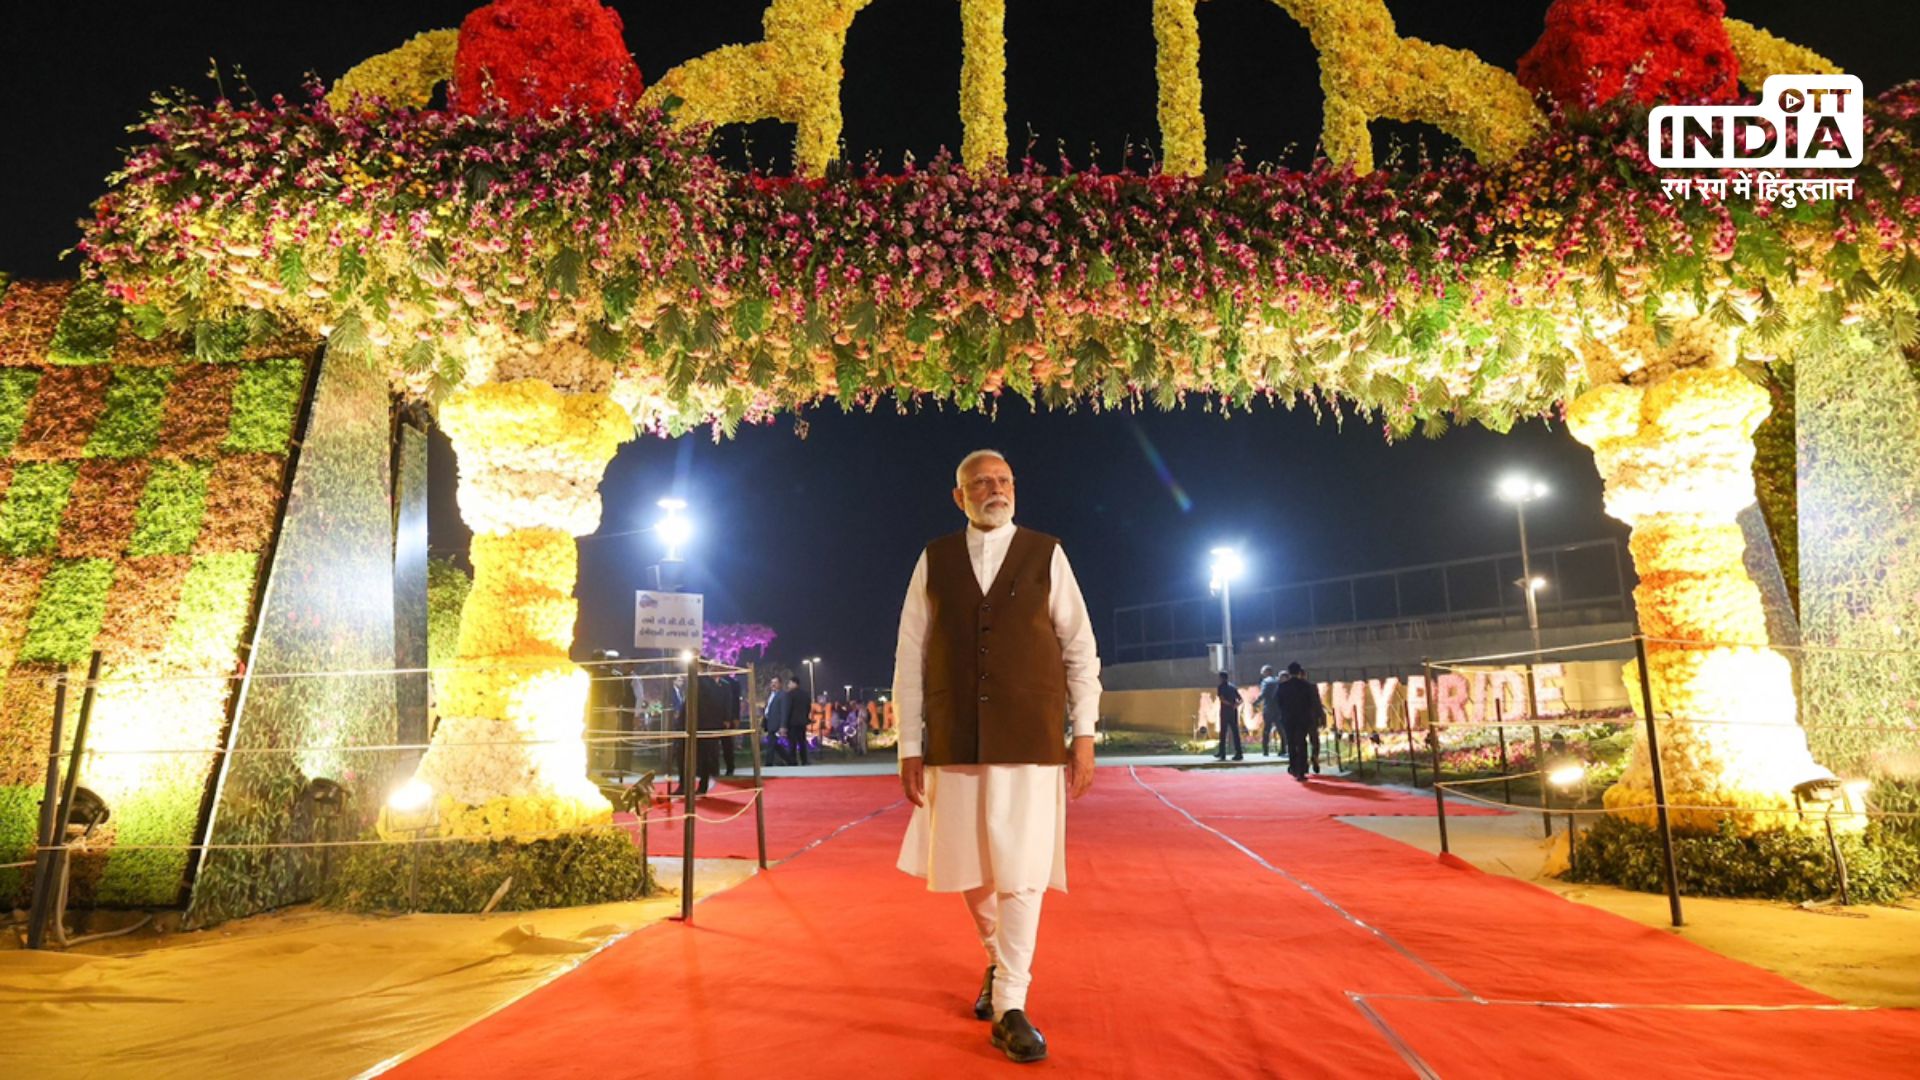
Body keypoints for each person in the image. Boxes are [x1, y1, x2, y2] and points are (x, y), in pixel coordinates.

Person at [894, 449, 1100, 1065]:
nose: (995, 488)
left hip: (1031, 739)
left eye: (1004, 479)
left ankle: (1012, 1000)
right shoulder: (934, 559)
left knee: (1023, 867)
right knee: (968, 864)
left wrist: (1083, 735)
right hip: (955, 735)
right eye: (980, 482)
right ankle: (995, 961)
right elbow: (910, 654)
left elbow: (1080, 648)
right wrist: (910, 744)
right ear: (958, 496)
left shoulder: (1047, 554)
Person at [1275, 661, 1327, 780]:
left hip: (1288, 718)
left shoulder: (1283, 686)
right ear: (1299, 672)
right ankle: (1301, 770)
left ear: (1289, 672)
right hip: (1303, 718)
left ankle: (1293, 767)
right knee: (1301, 742)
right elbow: (1312, 702)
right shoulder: (1306, 686)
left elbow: (1279, 702)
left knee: (1291, 743)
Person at [1213, 671, 1243, 761]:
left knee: (1223, 733)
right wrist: (1235, 705)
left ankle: (1222, 753)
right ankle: (1239, 753)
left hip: (1225, 712)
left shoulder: (1221, 687)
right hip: (1233, 712)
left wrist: (1229, 704)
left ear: (1221, 678)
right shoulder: (1233, 687)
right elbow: (1241, 699)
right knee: (1235, 733)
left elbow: (1222, 699)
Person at [782, 674, 811, 766]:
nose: (788, 685)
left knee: (792, 743)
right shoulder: (805, 694)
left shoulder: (789, 695)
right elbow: (808, 708)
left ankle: (793, 761)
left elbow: (787, 709)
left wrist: (784, 724)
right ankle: (804, 760)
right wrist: (805, 717)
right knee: (802, 742)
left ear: (794, 683)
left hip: (792, 723)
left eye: (790, 683)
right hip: (802, 722)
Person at [1257, 664, 1284, 758]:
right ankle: (1283, 749)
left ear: (1267, 672)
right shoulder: (1278, 680)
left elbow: (1263, 694)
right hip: (1278, 709)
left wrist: (1255, 702)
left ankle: (1265, 750)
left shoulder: (1265, 682)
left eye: (1263, 672)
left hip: (1268, 708)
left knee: (1266, 730)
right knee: (1281, 729)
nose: (1262, 674)